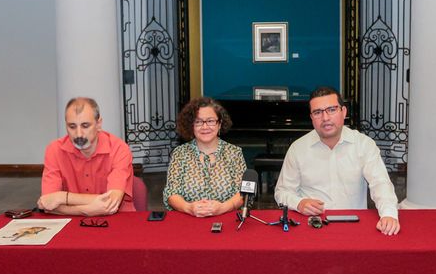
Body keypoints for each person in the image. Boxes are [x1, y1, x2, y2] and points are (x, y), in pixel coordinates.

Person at [274, 86, 401, 235]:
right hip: (312, 227)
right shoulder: (298, 149)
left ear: (344, 112)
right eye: (318, 112)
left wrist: (389, 214)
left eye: (332, 109)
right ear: (311, 118)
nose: (325, 118)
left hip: (353, 226)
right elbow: (281, 192)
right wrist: (299, 203)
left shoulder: (363, 144)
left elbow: (380, 183)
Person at [38, 97, 135, 216]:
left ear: (98, 124)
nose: (79, 134)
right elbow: (48, 204)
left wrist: (62, 197)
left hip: (118, 221)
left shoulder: (119, 149)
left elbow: (111, 202)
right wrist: (86, 211)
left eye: (85, 126)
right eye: (72, 127)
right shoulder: (54, 150)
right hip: (72, 222)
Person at [163, 97, 246, 217]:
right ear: (191, 125)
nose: (205, 127)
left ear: (219, 124)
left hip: (226, 221)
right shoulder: (180, 153)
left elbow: (243, 194)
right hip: (188, 221)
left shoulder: (234, 153)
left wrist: (222, 208)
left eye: (211, 121)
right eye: (198, 122)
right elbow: (171, 193)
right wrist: (189, 208)